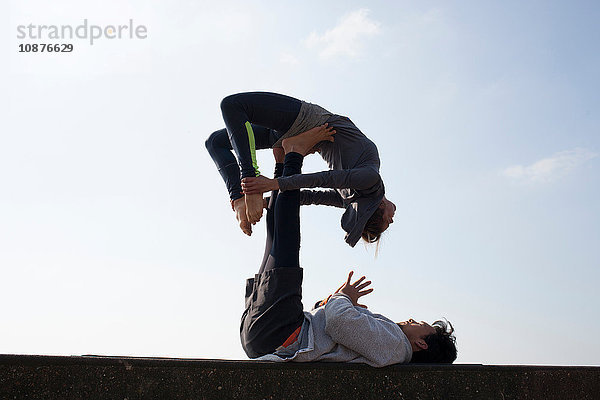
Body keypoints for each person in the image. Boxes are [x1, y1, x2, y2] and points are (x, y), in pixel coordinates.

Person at [240, 128, 457, 367]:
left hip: (282, 333)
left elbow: (338, 321)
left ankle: (293, 155)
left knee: (285, 241)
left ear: (422, 343)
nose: (413, 319)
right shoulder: (390, 345)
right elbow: (329, 324)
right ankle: (283, 161)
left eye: (420, 324)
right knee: (277, 242)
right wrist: (330, 302)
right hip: (269, 334)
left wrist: (344, 297)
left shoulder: (395, 345)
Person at [205, 91, 396, 247]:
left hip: (308, 121)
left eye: (388, 221)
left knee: (232, 106)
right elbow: (317, 188)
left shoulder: (370, 179)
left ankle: (246, 184)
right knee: (215, 142)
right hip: (300, 133)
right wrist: (270, 188)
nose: (393, 221)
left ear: (378, 208)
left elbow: (318, 186)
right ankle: (239, 198)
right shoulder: (361, 186)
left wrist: (267, 196)